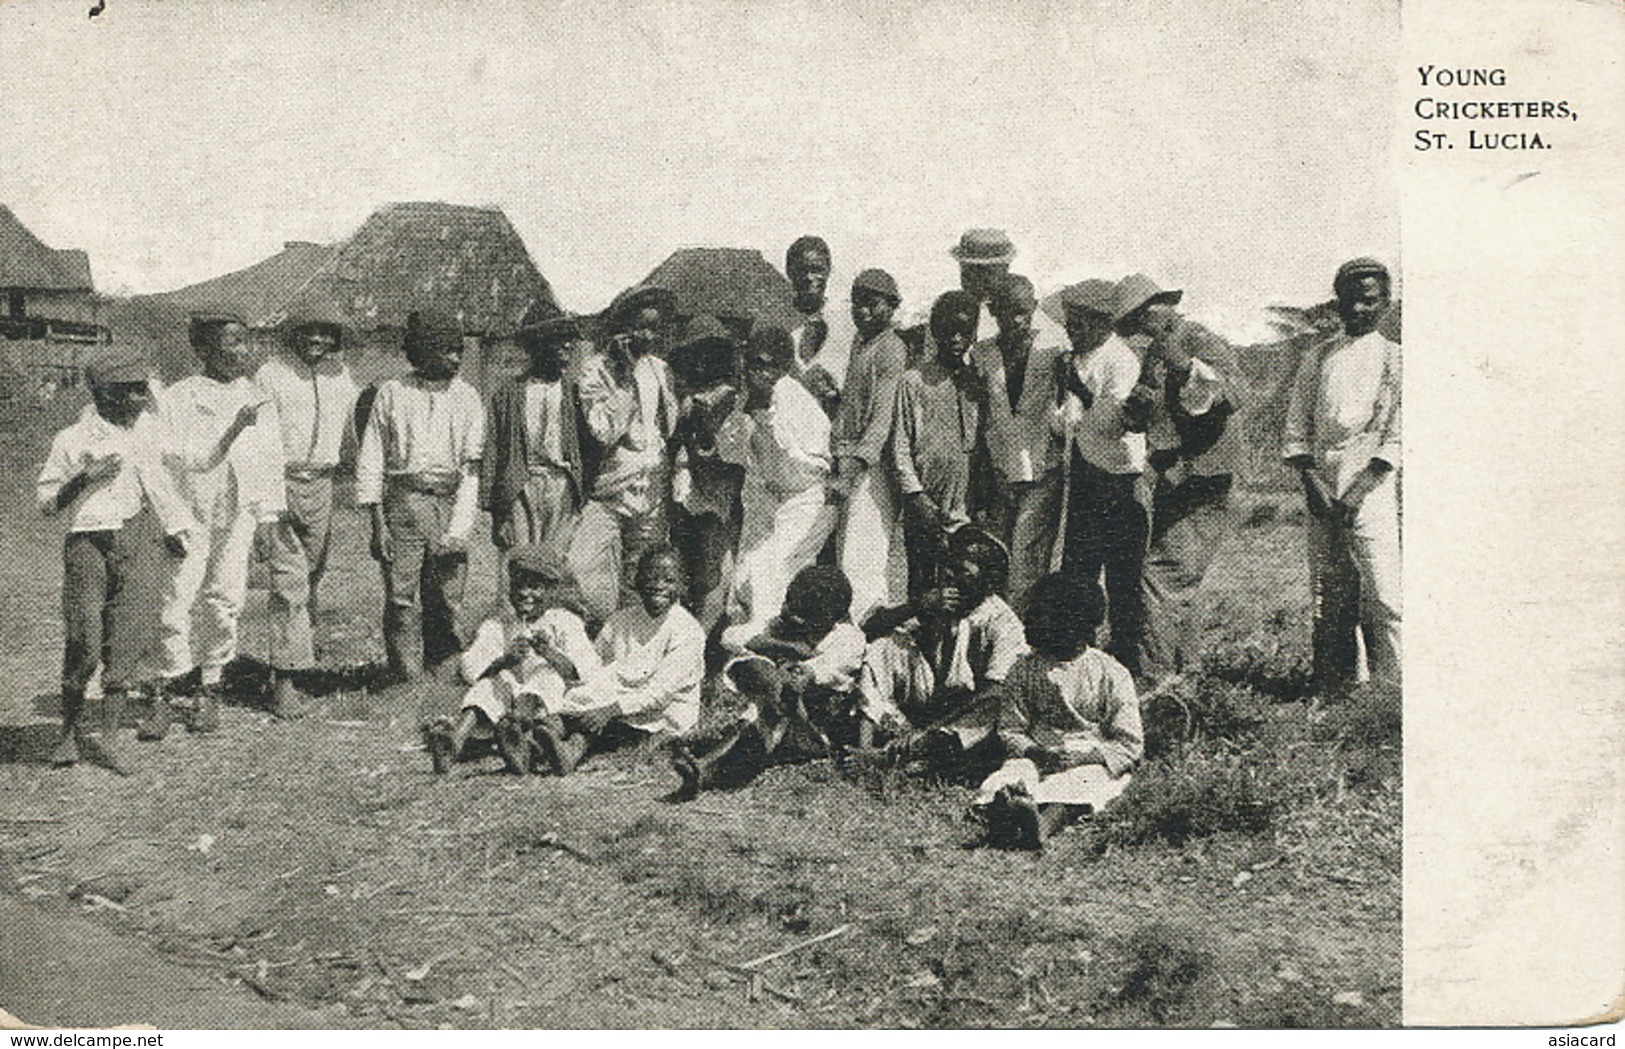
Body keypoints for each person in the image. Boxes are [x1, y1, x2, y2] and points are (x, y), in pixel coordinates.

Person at [37, 348, 192, 772]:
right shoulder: (73, 439)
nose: (142, 399)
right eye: (132, 391)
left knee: (127, 636)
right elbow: (48, 503)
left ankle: (108, 738)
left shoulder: (150, 432)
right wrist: (85, 477)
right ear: (105, 394)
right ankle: (67, 732)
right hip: (89, 541)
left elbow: (165, 484)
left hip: (141, 535)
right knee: (85, 639)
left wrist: (174, 530)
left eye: (144, 390)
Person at [154, 310, 285, 733]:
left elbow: (269, 460)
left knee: (225, 600)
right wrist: (171, 520)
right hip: (189, 512)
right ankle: (164, 686)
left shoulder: (257, 397)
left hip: (239, 512)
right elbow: (164, 463)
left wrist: (266, 516)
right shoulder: (179, 397)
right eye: (230, 343)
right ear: (203, 349)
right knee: (174, 599)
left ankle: (209, 687)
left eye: (244, 342)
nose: (240, 352)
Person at [1112, 275, 1243, 689]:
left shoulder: (1199, 339)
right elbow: (1149, 410)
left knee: (1160, 578)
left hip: (1205, 479)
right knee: (1177, 582)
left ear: (1155, 307)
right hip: (1176, 479)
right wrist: (1138, 407)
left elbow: (1231, 396)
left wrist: (1184, 366)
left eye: (1137, 319)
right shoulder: (1156, 351)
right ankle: (1186, 676)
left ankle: (1155, 681)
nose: (1137, 329)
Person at [1282, 257, 1401, 690]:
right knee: (1329, 594)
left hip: (1371, 488)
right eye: (1350, 301)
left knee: (1384, 591)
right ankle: (1338, 685)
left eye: (1369, 301)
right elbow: (1296, 432)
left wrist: (1358, 492)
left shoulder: (1394, 358)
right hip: (1322, 490)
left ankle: (1392, 689)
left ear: (1386, 302)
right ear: (1338, 302)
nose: (1358, 310)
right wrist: (1314, 485)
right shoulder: (1317, 359)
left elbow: (1397, 436)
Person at [355, 309, 486, 682]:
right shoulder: (393, 394)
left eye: (458, 350)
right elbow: (371, 459)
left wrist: (458, 530)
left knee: (446, 592)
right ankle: (405, 674)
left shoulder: (467, 398)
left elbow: (472, 471)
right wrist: (377, 523)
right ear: (422, 351)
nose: (455, 359)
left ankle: (442, 665)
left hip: (448, 500)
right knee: (401, 595)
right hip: (403, 502)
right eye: (445, 351)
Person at [971, 571, 1143, 850]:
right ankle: (1005, 812)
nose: (1040, 626)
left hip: (1088, 760)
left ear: (1080, 626)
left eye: (1055, 621)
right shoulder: (1025, 669)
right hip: (1038, 754)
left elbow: (1129, 744)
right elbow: (1011, 728)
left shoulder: (1111, 673)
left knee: (1079, 784)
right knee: (1012, 775)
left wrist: (1084, 757)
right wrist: (1033, 752)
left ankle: (1041, 826)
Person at [669, 564, 867, 799]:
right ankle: (704, 770)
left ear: (829, 618)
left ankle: (705, 770)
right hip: (776, 712)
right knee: (761, 695)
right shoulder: (780, 626)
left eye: (803, 619)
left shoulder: (848, 637)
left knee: (772, 707)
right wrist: (788, 647)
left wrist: (802, 672)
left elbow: (829, 669)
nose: (789, 615)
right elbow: (731, 636)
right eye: (788, 604)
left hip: (815, 727)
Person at [255, 317, 360, 719]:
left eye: (327, 333)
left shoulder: (340, 374)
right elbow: (261, 438)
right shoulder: (272, 374)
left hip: (323, 483)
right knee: (288, 583)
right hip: (282, 478)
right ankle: (284, 681)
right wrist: (267, 496)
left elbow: (355, 422)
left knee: (312, 574)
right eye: (310, 332)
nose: (318, 340)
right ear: (294, 334)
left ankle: (294, 665)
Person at [421, 545, 599, 775]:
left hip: (548, 706)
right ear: (510, 590)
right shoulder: (500, 623)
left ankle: (518, 734)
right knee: (492, 682)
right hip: (503, 708)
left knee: (545, 673)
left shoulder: (564, 621)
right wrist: (504, 661)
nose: (526, 594)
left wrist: (549, 653)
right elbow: (471, 667)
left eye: (535, 587)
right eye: (519, 587)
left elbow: (586, 669)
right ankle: (455, 741)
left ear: (551, 591)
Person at [1048, 279, 1151, 677]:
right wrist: (1065, 390)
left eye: (1080, 324)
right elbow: (1064, 425)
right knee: (1080, 568)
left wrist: (1078, 390)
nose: (1073, 332)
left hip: (1120, 479)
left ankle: (1126, 659)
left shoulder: (1120, 360)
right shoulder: (1077, 360)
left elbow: (1113, 422)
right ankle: (1079, 652)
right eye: (1070, 324)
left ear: (1101, 323)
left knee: (1123, 577)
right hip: (1086, 474)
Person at [533, 546, 705, 774]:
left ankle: (569, 751)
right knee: (579, 702)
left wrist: (608, 711)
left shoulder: (687, 631)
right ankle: (535, 742)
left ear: (682, 585)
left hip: (662, 711)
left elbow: (660, 694)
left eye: (668, 580)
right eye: (651, 577)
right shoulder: (621, 620)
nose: (658, 585)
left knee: (599, 724)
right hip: (619, 696)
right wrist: (557, 657)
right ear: (637, 580)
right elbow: (593, 666)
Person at [857, 525, 1027, 750]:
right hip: (927, 705)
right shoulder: (936, 601)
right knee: (882, 648)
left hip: (967, 716)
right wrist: (919, 606)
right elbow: (868, 628)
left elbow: (994, 692)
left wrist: (933, 730)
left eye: (961, 569)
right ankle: (864, 749)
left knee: (989, 712)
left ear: (989, 580)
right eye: (948, 566)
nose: (948, 574)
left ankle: (918, 750)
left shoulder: (1002, 622)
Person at [570, 284, 680, 623]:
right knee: (582, 569)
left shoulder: (660, 370)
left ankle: (631, 647)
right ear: (622, 327)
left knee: (643, 576)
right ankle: (592, 634)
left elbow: (668, 429)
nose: (648, 335)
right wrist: (625, 377)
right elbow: (604, 431)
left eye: (655, 327)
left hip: (650, 492)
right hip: (610, 490)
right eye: (640, 326)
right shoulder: (596, 370)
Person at [724, 325, 838, 642]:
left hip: (808, 499)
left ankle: (774, 642)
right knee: (744, 578)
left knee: (769, 568)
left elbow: (816, 465)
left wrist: (766, 428)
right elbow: (732, 453)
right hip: (769, 501)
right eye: (754, 364)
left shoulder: (794, 401)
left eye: (769, 366)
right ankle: (757, 646)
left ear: (783, 368)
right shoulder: (744, 402)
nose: (760, 373)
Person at [971, 274, 1068, 614]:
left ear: (1033, 309)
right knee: (995, 555)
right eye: (1007, 312)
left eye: (1023, 311)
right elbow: (981, 413)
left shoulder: (1052, 350)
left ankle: (1022, 634)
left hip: (1042, 466)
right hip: (1000, 467)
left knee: (1028, 559)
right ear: (994, 312)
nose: (1016, 320)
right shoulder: (983, 354)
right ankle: (996, 632)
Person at [480, 304, 589, 573]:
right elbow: (493, 450)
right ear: (538, 345)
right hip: (521, 485)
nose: (566, 346)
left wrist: (581, 493)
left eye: (569, 340)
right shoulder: (508, 395)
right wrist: (499, 514)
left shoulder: (576, 393)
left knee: (556, 567)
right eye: (557, 339)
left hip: (563, 487)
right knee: (518, 564)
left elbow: (590, 448)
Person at [891, 290, 985, 601]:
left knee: (966, 582)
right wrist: (916, 496)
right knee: (924, 583)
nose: (957, 339)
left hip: (965, 503)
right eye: (949, 331)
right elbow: (902, 444)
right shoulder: (914, 381)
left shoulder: (977, 379)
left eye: (965, 331)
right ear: (935, 330)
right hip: (925, 501)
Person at [829, 268, 909, 625]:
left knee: (863, 557)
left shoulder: (891, 347)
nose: (862, 311)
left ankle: (869, 634)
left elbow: (881, 419)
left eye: (871, 303)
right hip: (847, 457)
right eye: (857, 303)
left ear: (891, 307)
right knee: (846, 554)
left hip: (869, 467)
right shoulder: (860, 343)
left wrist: (855, 466)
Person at [666, 314, 747, 628]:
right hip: (689, 489)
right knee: (691, 565)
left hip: (718, 490)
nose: (702, 362)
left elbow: (719, 450)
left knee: (714, 569)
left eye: (709, 353)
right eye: (694, 355)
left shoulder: (730, 396)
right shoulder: (689, 397)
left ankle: (701, 641)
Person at [785, 235, 855, 419]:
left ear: (828, 270)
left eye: (817, 270)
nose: (809, 278)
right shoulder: (780, 325)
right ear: (789, 272)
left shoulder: (848, 322)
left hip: (839, 422)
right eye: (801, 270)